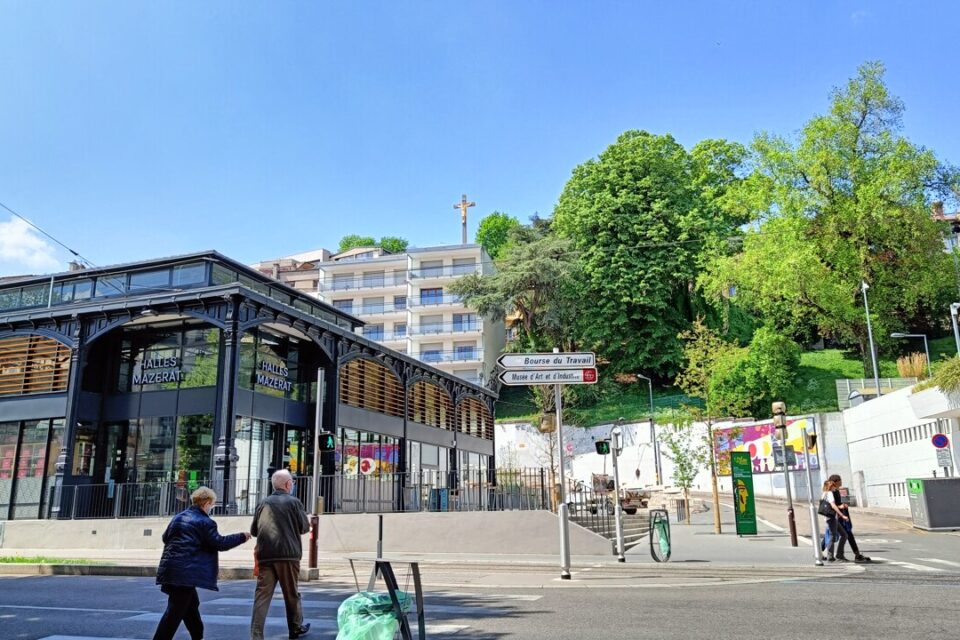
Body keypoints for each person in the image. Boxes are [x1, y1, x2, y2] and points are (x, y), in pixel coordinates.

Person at [153, 486, 251, 640]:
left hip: (171, 570)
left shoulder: (178, 517)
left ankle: (197, 637)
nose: (211, 508)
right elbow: (220, 543)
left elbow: (166, 538)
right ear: (206, 503)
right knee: (173, 614)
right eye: (211, 504)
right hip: (185, 574)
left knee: (191, 607)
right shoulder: (206, 522)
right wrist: (241, 536)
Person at [250, 468, 312, 640]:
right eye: (291, 482)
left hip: (266, 555)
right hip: (288, 556)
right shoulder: (294, 502)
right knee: (291, 594)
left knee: (261, 596)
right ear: (288, 484)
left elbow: (254, 531)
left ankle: (256, 635)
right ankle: (295, 628)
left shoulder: (263, 503)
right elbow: (304, 528)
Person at [823, 473, 871, 563]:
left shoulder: (833, 491)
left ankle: (834, 554)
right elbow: (833, 505)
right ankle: (847, 555)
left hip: (835, 517)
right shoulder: (831, 492)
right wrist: (842, 512)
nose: (841, 481)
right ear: (834, 482)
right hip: (835, 517)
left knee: (836, 535)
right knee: (839, 535)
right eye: (840, 480)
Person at [819, 476, 848, 562]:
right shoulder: (830, 493)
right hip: (831, 518)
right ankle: (831, 556)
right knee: (832, 536)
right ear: (831, 486)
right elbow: (833, 505)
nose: (835, 488)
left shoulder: (824, 493)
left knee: (843, 535)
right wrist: (842, 515)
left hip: (829, 518)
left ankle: (838, 554)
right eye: (834, 486)